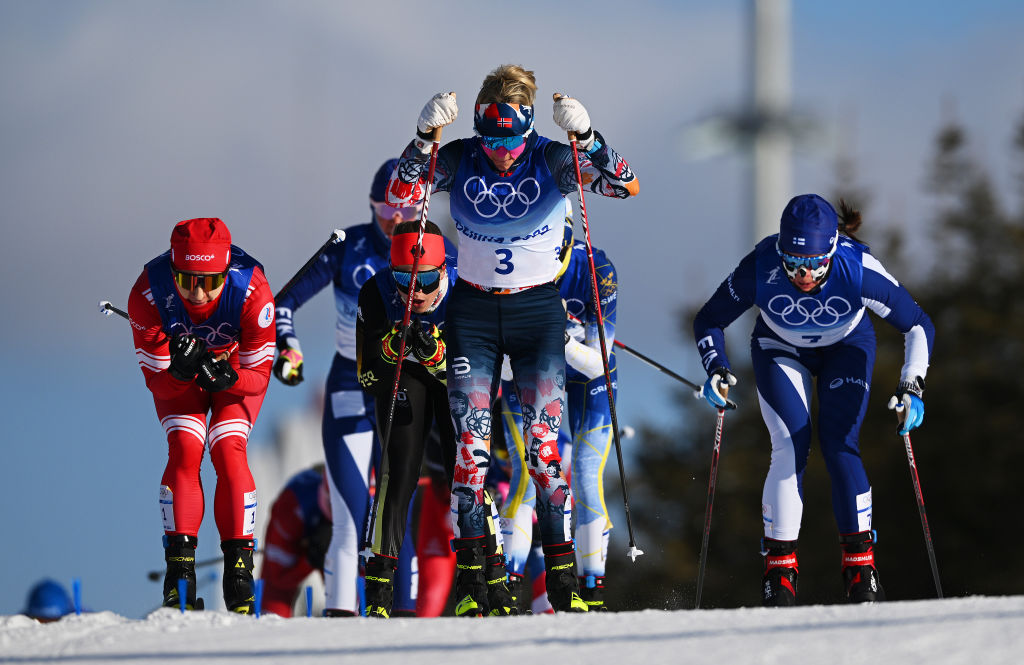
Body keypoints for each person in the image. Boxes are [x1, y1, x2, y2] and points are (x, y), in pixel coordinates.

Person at [386, 63, 638, 613]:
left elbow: (625, 183)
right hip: (472, 314)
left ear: (529, 129)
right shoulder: (459, 157)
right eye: (492, 139)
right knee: (471, 457)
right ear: (478, 129)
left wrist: (590, 139)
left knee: (546, 456)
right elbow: (401, 190)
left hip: (537, 315)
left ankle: (565, 584)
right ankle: (478, 583)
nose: (502, 152)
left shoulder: (550, 156)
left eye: (512, 140)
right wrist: (424, 138)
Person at [692, 194, 935, 606]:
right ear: (781, 251)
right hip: (779, 348)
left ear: (833, 251)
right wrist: (715, 367)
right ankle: (779, 573)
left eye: (815, 266)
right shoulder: (759, 267)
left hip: (847, 346)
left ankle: (861, 568)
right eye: (793, 264)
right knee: (790, 447)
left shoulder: (857, 270)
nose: (803, 276)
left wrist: (912, 384)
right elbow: (709, 319)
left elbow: (917, 324)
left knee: (840, 444)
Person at [273, 160, 422, 616]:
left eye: (406, 212)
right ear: (373, 207)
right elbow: (283, 303)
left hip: (404, 389)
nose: (395, 222)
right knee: (349, 522)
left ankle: (407, 628)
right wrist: (288, 348)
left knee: (399, 519)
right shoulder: (348, 247)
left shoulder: (434, 249)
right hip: (351, 385)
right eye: (385, 212)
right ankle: (340, 628)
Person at [127, 217, 275, 613]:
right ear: (172, 271)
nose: (196, 293)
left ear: (226, 273)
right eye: (187, 279)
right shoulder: (148, 294)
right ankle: (179, 579)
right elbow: (157, 384)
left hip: (237, 368)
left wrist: (229, 378)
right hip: (183, 376)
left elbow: (259, 377)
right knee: (185, 448)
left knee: (227, 448)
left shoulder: (253, 291)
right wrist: (178, 371)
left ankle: (239, 578)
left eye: (210, 283)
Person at [498, 218, 620, 612]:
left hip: (585, 374)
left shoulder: (597, 271)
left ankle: (593, 588)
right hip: (530, 371)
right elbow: (499, 365)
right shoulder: (509, 262)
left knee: (585, 470)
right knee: (528, 473)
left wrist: (561, 338)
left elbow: (598, 363)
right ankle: (508, 585)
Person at [355, 220, 474, 617]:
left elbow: (478, 372)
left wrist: (436, 354)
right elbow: (368, 375)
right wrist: (392, 347)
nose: (415, 292)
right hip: (404, 376)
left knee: (468, 466)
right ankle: (380, 589)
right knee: (399, 470)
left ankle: (478, 578)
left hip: (450, 375)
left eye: (425, 280)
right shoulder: (375, 292)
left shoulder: (465, 288)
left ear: (442, 271)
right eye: (403, 279)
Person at [258, 465, 333, 617]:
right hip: (297, 510)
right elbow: (278, 577)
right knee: (272, 610)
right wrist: (310, 560)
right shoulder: (290, 512)